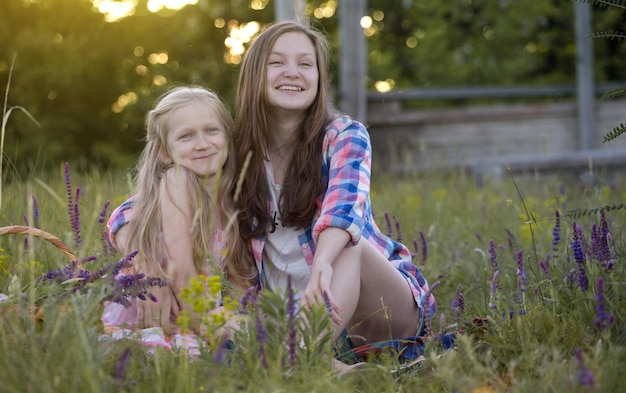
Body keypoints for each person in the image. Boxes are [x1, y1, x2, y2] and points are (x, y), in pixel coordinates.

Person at [233, 20, 437, 361]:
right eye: (277, 62)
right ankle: (318, 360)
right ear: (255, 74)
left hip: (380, 311)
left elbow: (344, 211)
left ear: (317, 79)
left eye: (305, 63)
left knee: (349, 247)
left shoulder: (344, 136)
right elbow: (151, 205)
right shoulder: (236, 154)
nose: (293, 72)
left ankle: (298, 361)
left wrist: (322, 264)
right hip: (288, 317)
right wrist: (125, 225)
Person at [101, 86, 256, 351]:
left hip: (195, 315)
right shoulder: (178, 180)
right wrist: (215, 330)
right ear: (164, 152)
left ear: (228, 138)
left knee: (264, 332)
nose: (202, 144)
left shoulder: (228, 206)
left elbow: (236, 280)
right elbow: (181, 271)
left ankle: (325, 366)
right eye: (186, 136)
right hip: (161, 319)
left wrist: (246, 319)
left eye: (211, 130)